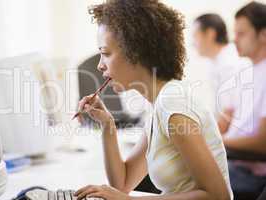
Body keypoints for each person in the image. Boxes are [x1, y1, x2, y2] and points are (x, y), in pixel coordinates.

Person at [74, 0, 233, 200]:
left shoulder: (173, 104)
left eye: (105, 53)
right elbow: (122, 184)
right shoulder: (158, 103)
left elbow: (219, 196)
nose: (100, 65)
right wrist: (107, 124)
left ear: (136, 52)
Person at [219, 1, 266, 198]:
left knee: (175, 181)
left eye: (241, 33)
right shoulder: (246, 72)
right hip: (233, 162)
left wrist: (218, 141)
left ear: (263, 34)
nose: (234, 40)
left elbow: (262, 143)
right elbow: (225, 121)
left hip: (252, 173)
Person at [193, 13, 250, 130]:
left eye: (195, 36)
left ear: (210, 34)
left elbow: (228, 115)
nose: (193, 43)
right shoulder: (217, 62)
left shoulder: (229, 63)